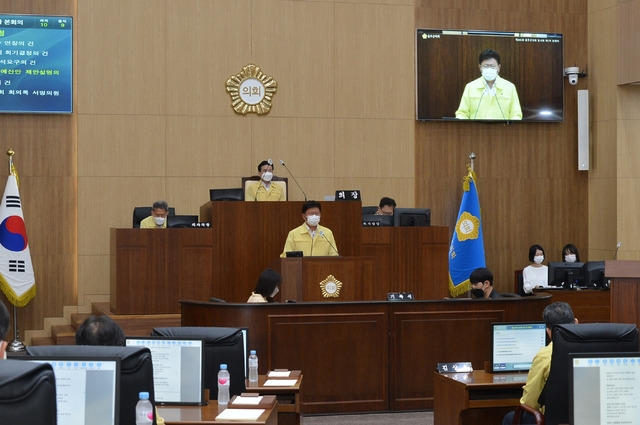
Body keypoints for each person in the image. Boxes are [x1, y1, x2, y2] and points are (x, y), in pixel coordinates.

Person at [501, 302, 578, 425]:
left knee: (510, 418)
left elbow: (530, 402)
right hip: (588, 417)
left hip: (552, 420)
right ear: (576, 322)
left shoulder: (544, 356)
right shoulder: (591, 350)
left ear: (548, 331)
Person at [455, 49, 522, 120]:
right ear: (480, 68)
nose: (489, 69)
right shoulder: (470, 87)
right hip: (476, 130)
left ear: (498, 68)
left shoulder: (509, 87)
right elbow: (462, 113)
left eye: (492, 66)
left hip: (502, 130)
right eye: (486, 66)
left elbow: (516, 114)